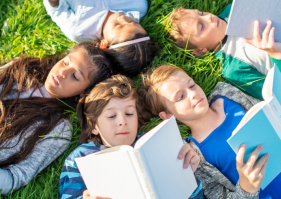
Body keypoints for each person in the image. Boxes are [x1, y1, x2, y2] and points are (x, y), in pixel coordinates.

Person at [0, 42, 112, 195]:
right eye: (66, 62)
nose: (62, 72)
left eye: (75, 76)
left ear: (84, 91)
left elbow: (12, 181)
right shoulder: (21, 67)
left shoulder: (58, 129)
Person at [140, 64, 281, 199]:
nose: (193, 93)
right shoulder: (194, 156)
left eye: (192, 85)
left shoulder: (226, 94)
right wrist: (247, 188)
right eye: (180, 97)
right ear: (168, 116)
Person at [59, 75, 204, 199]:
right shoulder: (80, 159)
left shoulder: (153, 143)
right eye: (111, 116)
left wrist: (188, 174)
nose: (122, 121)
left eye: (129, 114)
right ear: (94, 127)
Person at [167, 0, 281, 100]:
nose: (209, 18)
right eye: (201, 26)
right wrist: (278, 54)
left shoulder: (233, 10)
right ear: (200, 50)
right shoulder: (233, 70)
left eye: (201, 13)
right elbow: (277, 95)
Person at [43, 0, 157, 76]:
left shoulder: (79, 29)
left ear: (104, 44)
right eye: (133, 22)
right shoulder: (138, 7)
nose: (122, 17)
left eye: (118, 26)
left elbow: (57, 11)